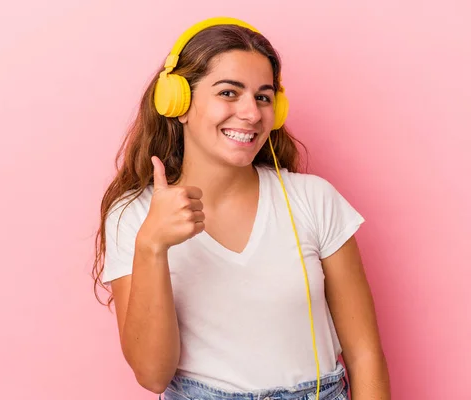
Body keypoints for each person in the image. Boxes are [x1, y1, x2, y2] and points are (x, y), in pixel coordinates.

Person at [92, 17, 390, 400]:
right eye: (229, 93)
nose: (251, 113)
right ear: (178, 103)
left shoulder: (314, 200)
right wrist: (152, 245)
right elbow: (152, 376)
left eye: (263, 97)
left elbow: (365, 355)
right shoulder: (133, 214)